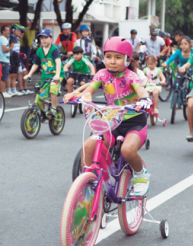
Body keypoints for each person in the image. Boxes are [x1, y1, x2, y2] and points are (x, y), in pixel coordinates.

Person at [63, 36, 152, 197]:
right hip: (112, 121)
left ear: (127, 59)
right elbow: (90, 88)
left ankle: (141, 174)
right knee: (89, 145)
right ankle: (89, 183)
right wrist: (81, 95)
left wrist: (145, 99)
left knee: (127, 150)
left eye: (118, 57)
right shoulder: (102, 74)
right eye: (108, 56)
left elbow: (141, 90)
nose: (112, 61)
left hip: (134, 123)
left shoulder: (131, 76)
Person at [24, 29, 65, 118]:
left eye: (46, 37)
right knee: (40, 92)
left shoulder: (54, 49)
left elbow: (58, 62)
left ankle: (53, 108)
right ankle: (42, 112)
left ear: (51, 38)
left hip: (57, 75)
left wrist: (57, 75)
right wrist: (29, 74)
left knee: (53, 88)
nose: (43, 40)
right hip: (45, 76)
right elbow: (36, 64)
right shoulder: (39, 51)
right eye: (41, 38)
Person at [6, 24, 24, 96]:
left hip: (16, 57)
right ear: (13, 31)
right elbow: (10, 50)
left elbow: (17, 50)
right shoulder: (11, 38)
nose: (19, 32)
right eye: (17, 30)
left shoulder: (17, 39)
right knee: (10, 75)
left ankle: (14, 90)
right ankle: (8, 90)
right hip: (11, 57)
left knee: (14, 75)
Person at [18, 26, 33, 95]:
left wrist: (22, 54)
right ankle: (20, 89)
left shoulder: (18, 40)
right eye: (21, 32)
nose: (22, 34)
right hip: (15, 59)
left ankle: (24, 89)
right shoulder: (14, 40)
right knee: (20, 73)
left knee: (25, 72)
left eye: (23, 32)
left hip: (19, 58)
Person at [0, 25, 14, 98]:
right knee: (3, 77)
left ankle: (3, 91)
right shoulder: (3, 39)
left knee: (3, 76)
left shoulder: (2, 38)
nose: (8, 32)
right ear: (3, 31)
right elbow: (4, 50)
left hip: (3, 60)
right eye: (7, 30)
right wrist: (11, 47)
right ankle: (3, 92)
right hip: (3, 60)